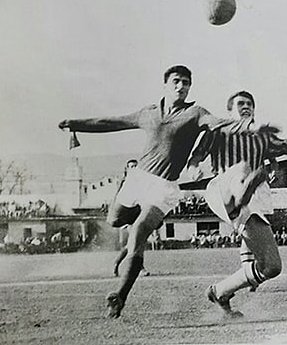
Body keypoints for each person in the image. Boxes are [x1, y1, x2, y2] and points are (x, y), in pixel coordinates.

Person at [58, 65, 226, 318]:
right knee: (114, 220)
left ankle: (120, 296)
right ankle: (144, 218)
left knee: (137, 231)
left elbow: (217, 123)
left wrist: (244, 124)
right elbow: (112, 122)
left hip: (164, 187)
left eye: (186, 83)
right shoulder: (148, 113)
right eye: (177, 81)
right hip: (137, 180)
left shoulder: (195, 112)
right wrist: (76, 124)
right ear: (166, 84)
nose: (181, 86)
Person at [187, 90, 287, 318]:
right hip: (222, 189)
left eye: (250, 104)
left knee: (271, 267)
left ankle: (220, 291)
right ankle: (247, 187)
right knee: (243, 170)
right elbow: (195, 159)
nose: (246, 107)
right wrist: (194, 171)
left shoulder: (263, 138)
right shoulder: (217, 131)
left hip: (248, 202)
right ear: (229, 110)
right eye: (241, 104)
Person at [112, 159, 150, 278]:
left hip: (138, 213)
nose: (134, 168)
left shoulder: (141, 182)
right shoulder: (124, 182)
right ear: (127, 169)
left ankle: (117, 263)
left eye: (135, 166)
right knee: (137, 241)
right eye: (131, 166)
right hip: (128, 216)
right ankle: (140, 268)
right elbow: (117, 199)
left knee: (133, 244)